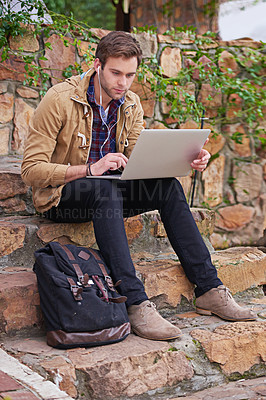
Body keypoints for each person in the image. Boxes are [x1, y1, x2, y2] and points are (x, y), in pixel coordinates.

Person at [21, 31, 256, 341]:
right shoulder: (60, 100)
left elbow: (138, 158)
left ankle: (209, 289)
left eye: (130, 75)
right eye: (116, 73)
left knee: (168, 186)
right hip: (63, 196)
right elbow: (31, 170)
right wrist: (91, 168)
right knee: (104, 189)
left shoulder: (129, 103)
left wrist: (188, 159)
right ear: (98, 66)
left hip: (110, 195)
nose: (123, 82)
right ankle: (135, 302)